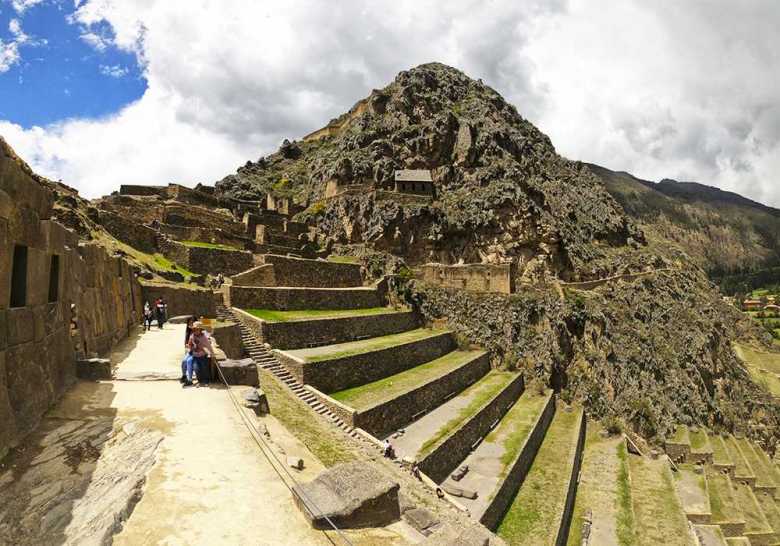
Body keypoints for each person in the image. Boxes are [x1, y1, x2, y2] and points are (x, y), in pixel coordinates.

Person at [185, 321, 213, 387]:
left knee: (204, 368)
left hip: (202, 355)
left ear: (200, 330)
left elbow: (208, 345)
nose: (195, 331)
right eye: (194, 330)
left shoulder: (203, 337)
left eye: (197, 329)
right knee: (196, 368)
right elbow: (189, 345)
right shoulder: (192, 336)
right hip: (195, 356)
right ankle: (200, 381)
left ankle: (206, 380)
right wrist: (190, 347)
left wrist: (211, 353)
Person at [180, 316, 198, 385]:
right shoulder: (188, 332)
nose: (190, 324)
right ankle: (184, 376)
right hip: (190, 351)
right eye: (189, 323)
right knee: (184, 361)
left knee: (189, 361)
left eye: (192, 323)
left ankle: (189, 378)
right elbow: (187, 344)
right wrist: (187, 349)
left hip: (197, 352)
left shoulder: (198, 331)